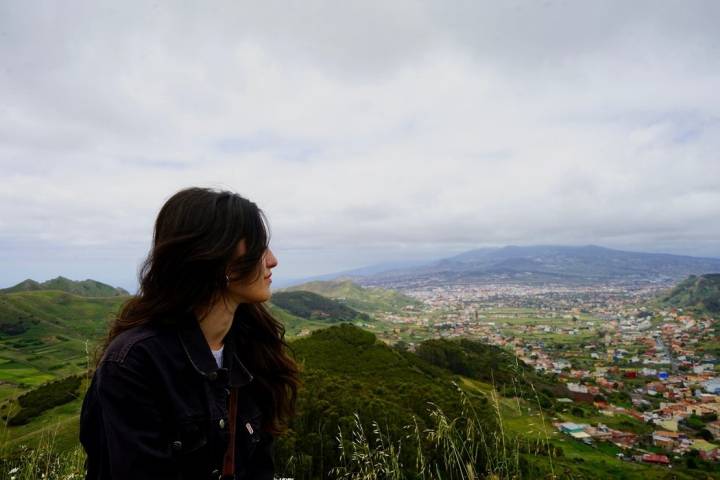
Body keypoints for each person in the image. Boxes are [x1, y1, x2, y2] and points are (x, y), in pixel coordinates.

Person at [80, 187, 300, 480]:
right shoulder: (135, 364)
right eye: (259, 247)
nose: (272, 260)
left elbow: (260, 467)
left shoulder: (253, 348)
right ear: (216, 256)